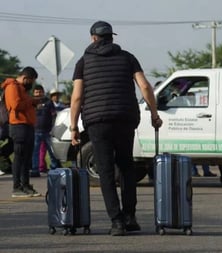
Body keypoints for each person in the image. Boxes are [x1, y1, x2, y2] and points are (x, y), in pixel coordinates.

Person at [70, 21, 162, 236]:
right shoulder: (127, 57)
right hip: (125, 118)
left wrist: (74, 126)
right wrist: (154, 114)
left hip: (97, 121)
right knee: (127, 166)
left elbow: (76, 97)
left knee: (106, 171)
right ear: (112, 37)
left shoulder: (83, 62)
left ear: (93, 38)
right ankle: (130, 216)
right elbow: (146, 86)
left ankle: (117, 222)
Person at [1, 66, 41, 197]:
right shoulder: (12, 87)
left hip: (27, 125)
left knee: (26, 158)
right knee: (19, 157)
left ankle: (25, 185)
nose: (32, 84)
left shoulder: (22, 89)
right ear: (25, 78)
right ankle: (16, 187)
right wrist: (31, 101)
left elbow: (23, 103)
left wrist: (32, 102)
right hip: (18, 126)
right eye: (31, 81)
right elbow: (16, 105)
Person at [30, 85, 61, 177]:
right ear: (33, 93)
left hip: (47, 131)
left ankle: (54, 168)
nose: (38, 94)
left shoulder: (48, 102)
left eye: (40, 92)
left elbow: (54, 115)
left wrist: (53, 127)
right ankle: (35, 170)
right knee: (35, 152)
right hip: (35, 131)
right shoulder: (31, 102)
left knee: (52, 151)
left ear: (43, 92)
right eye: (36, 92)